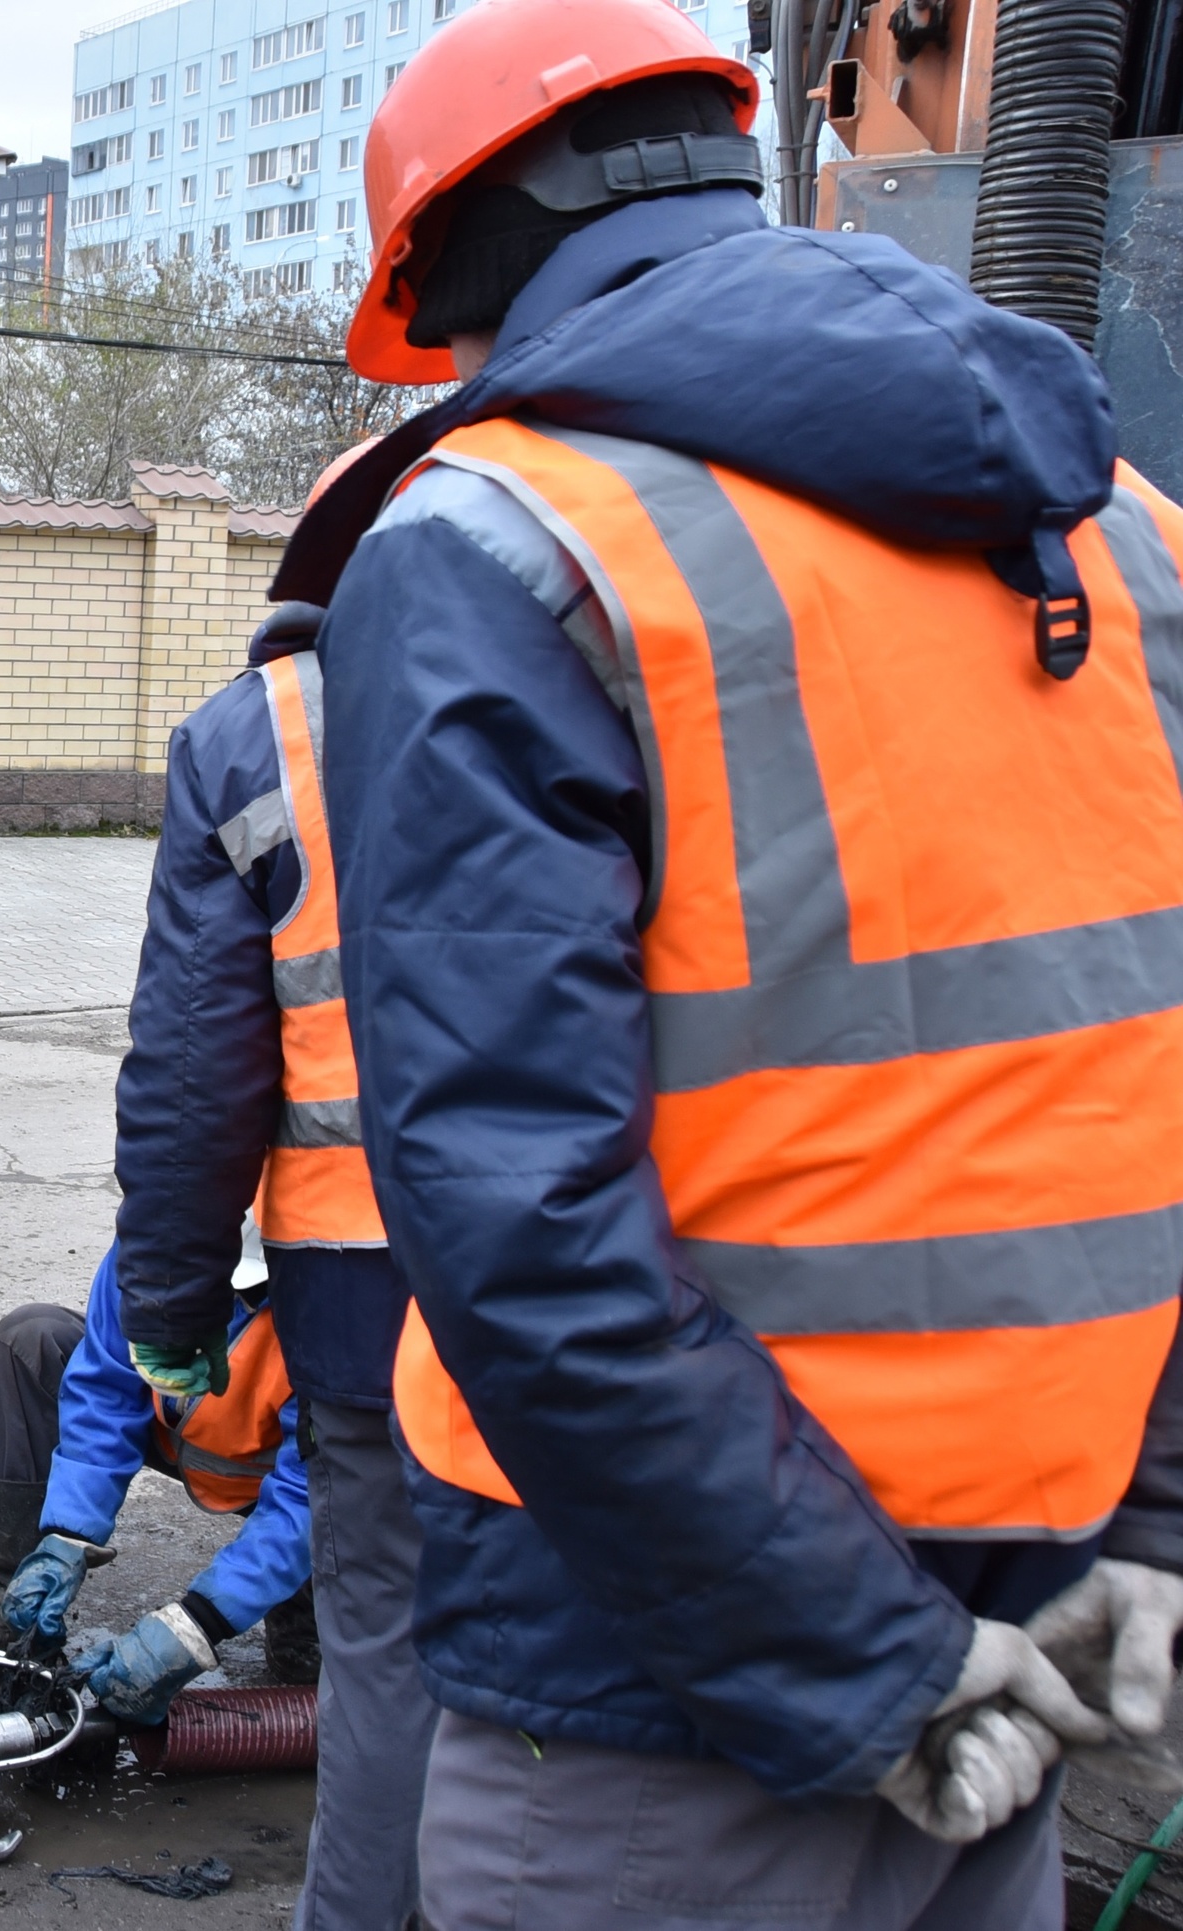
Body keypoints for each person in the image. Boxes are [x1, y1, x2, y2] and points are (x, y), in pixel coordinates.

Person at [276, 0, 1183, 1922]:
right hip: (1035, 1617)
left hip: (661, 1691)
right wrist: (1153, 1524)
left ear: (462, 263)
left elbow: (521, 1216)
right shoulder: (1131, 546)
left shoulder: (502, 544)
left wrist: (864, 1662)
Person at [111, 587, 435, 1929]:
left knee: (394, 1649)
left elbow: (196, 1073)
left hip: (363, 1278)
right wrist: (74, 1534)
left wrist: (188, 1627)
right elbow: (84, 1390)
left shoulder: (266, 730)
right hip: (605, 1267)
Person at [0, 1242, 315, 1721]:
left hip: (301, 1472)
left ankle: (307, 1596)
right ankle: (17, 1603)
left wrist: (200, 1620)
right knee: (33, 1340)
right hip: (180, 1430)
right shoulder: (164, 1232)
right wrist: (68, 1533)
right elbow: (106, 1387)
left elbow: (316, 1488)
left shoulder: (343, 1297)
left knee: (322, 1674)